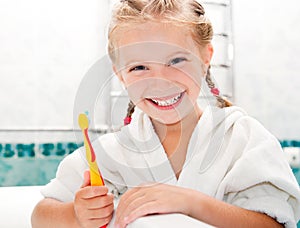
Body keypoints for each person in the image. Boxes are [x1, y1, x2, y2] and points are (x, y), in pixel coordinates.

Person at [31, 0, 300, 227]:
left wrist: (190, 203)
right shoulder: (110, 153)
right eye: (139, 68)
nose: (160, 82)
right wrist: (76, 214)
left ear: (206, 58)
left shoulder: (243, 138)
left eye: (176, 61)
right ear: (119, 74)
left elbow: (274, 223)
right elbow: (39, 215)